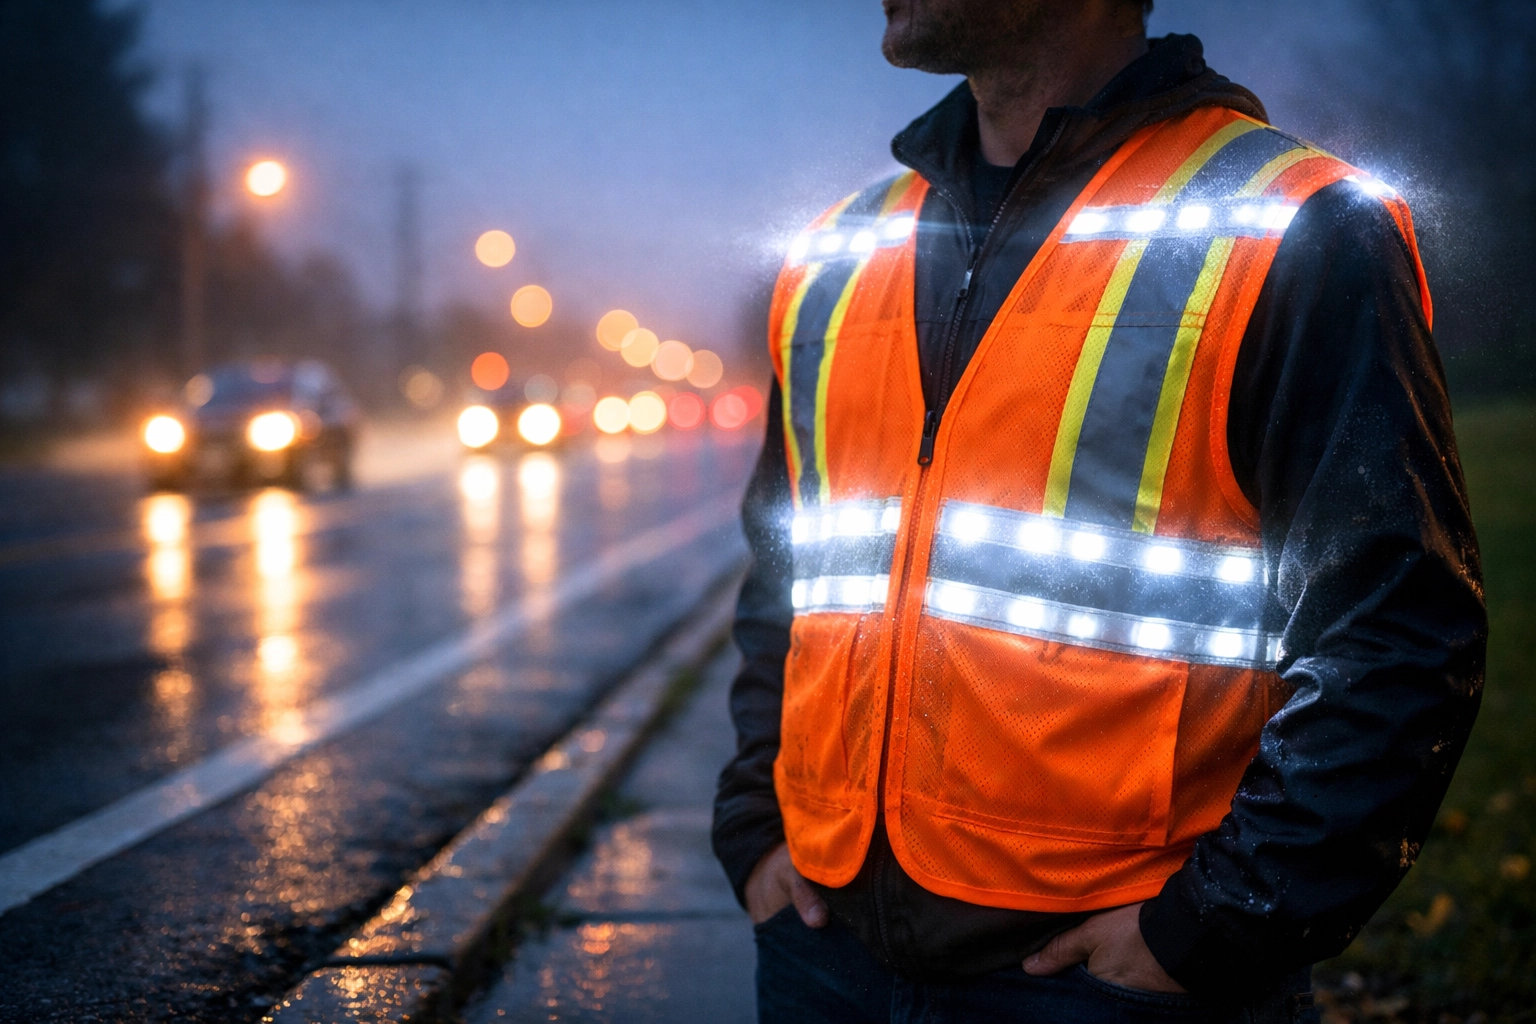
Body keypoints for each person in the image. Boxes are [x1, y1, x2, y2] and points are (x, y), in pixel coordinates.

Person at [713, 0, 1486, 1020]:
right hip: (825, 954)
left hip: (1111, 982)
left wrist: (1221, 925)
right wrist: (755, 825)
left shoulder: (1295, 224)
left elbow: (1396, 626)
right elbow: (789, 578)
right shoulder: (836, 253)